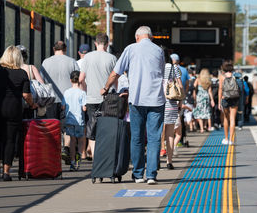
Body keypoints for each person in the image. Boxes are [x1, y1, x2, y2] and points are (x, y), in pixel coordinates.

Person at [100, 26, 165, 185]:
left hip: (136, 100)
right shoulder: (159, 51)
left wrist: (106, 88)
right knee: (154, 138)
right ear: (150, 37)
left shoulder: (131, 49)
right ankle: (151, 175)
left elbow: (116, 73)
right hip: (156, 99)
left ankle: (137, 175)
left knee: (136, 138)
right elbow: (161, 73)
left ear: (137, 37)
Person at [0, 46, 37, 181]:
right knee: (10, 140)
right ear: (19, 58)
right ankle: (6, 172)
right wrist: (32, 104)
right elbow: (26, 95)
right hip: (13, 109)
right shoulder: (22, 73)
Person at [40, 41, 80, 162]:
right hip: (68, 100)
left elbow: (41, 80)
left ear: (53, 49)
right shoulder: (72, 61)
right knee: (67, 127)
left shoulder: (46, 62)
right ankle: (66, 148)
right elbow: (78, 78)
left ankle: (53, 152)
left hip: (50, 99)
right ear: (65, 49)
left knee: (51, 126)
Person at [79, 33, 117, 159]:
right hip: (108, 99)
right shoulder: (112, 58)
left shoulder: (87, 57)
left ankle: (96, 158)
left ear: (95, 43)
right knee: (106, 128)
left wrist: (86, 90)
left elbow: (81, 78)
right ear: (107, 44)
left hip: (91, 98)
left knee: (92, 128)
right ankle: (106, 157)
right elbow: (115, 79)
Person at [163, 50, 184, 169]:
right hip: (171, 103)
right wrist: (180, 101)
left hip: (156, 103)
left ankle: (155, 160)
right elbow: (180, 86)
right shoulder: (174, 68)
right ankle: (169, 161)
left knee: (156, 133)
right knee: (170, 134)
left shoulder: (155, 67)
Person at [62, 71, 87, 171]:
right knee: (81, 140)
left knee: (72, 141)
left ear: (70, 80)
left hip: (69, 120)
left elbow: (63, 107)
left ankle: (72, 162)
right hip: (79, 120)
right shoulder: (82, 93)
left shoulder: (66, 92)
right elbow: (84, 108)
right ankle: (79, 155)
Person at [16, 45, 45, 119]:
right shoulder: (31, 68)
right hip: (30, 103)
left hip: (16, 103)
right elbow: (42, 85)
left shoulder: (12, 68)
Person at [218, 60, 239, 145]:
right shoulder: (235, 76)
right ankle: (231, 140)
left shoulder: (222, 77)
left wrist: (219, 102)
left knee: (226, 118)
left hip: (225, 98)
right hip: (234, 98)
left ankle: (226, 138)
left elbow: (220, 89)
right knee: (232, 119)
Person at [192, 69, 215, 133]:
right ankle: (206, 126)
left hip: (199, 97)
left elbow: (193, 88)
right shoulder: (208, 81)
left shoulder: (198, 80)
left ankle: (202, 128)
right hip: (206, 98)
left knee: (199, 113)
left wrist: (194, 97)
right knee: (206, 112)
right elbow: (210, 91)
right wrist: (212, 100)